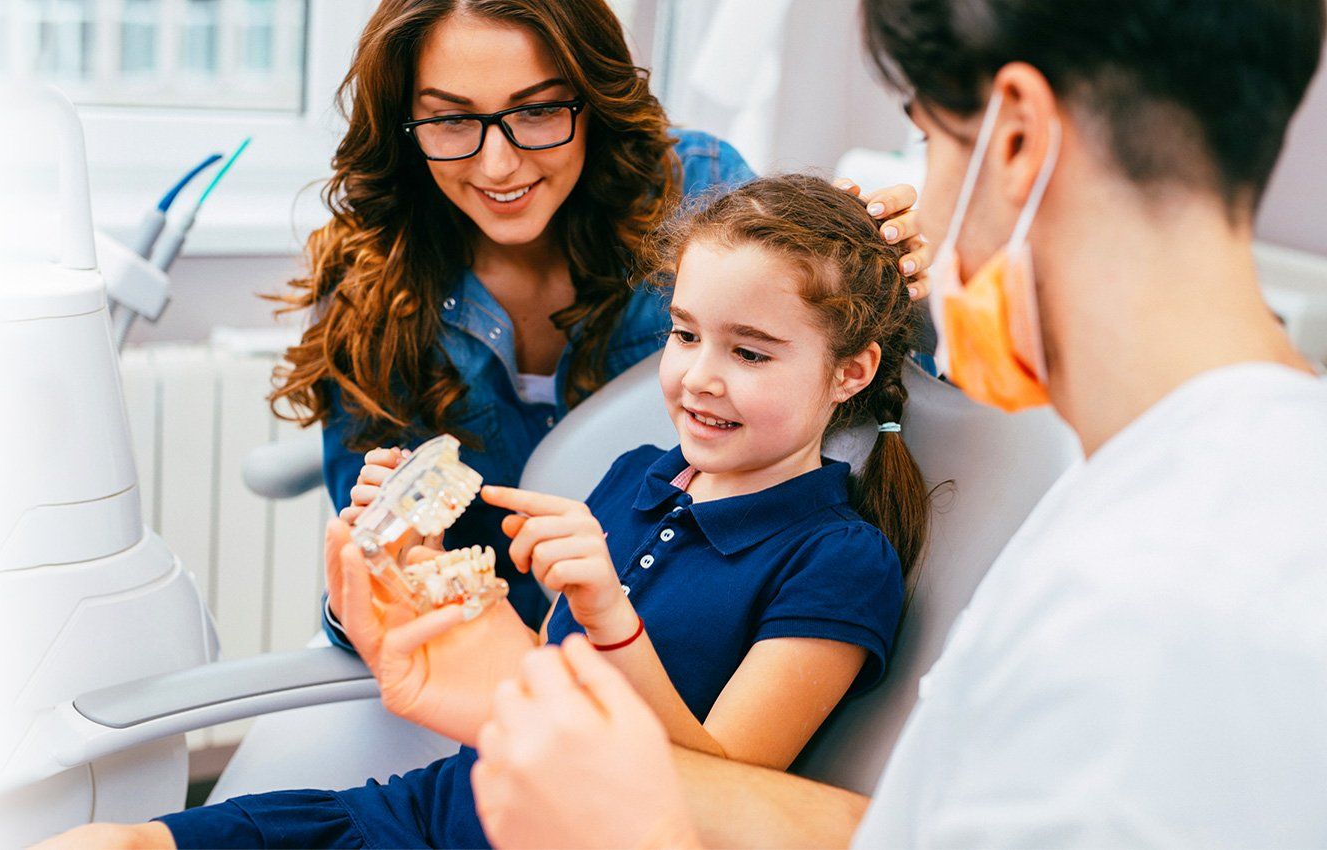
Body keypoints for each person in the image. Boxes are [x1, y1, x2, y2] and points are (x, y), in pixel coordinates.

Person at [466, 1, 1327, 847]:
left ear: (1016, 141)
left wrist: (642, 833)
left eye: (927, 139)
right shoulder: (1198, 490)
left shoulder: (1152, 616)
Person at [40, 174, 928, 849]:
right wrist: (426, 567)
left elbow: (720, 796)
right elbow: (529, 673)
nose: (700, 376)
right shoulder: (637, 477)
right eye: (686, 333)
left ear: (850, 372)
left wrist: (612, 620)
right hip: (436, 809)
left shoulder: (840, 560)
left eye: (752, 352)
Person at [262, 0, 926, 639]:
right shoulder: (370, 282)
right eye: (451, 121)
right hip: (479, 648)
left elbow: (844, 383)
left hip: (672, 649)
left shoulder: (696, 190)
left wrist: (888, 279)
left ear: (592, 91)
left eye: (541, 109)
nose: (499, 165)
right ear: (404, 122)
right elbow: (376, 596)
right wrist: (395, 568)